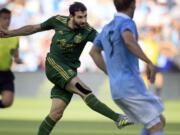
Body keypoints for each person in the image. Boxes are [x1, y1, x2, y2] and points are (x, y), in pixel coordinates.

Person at [0, 2, 132, 135]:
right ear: (71, 16)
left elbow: (103, 44)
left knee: (56, 113)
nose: (84, 20)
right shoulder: (57, 21)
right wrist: (10, 33)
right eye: (80, 17)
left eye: (85, 16)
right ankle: (118, 118)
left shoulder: (88, 31)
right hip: (54, 65)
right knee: (84, 91)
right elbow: (34, 28)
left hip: (69, 71)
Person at [90, 0, 166, 135]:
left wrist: (110, 72)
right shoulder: (127, 23)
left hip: (117, 88)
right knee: (156, 125)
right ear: (133, 5)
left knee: (158, 120)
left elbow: (93, 52)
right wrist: (148, 61)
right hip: (131, 85)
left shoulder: (107, 27)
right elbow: (128, 40)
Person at [0, 8, 22, 108]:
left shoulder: (14, 37)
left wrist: (17, 59)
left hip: (5, 73)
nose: (7, 21)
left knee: (7, 102)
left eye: (9, 18)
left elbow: (15, 54)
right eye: (4, 18)